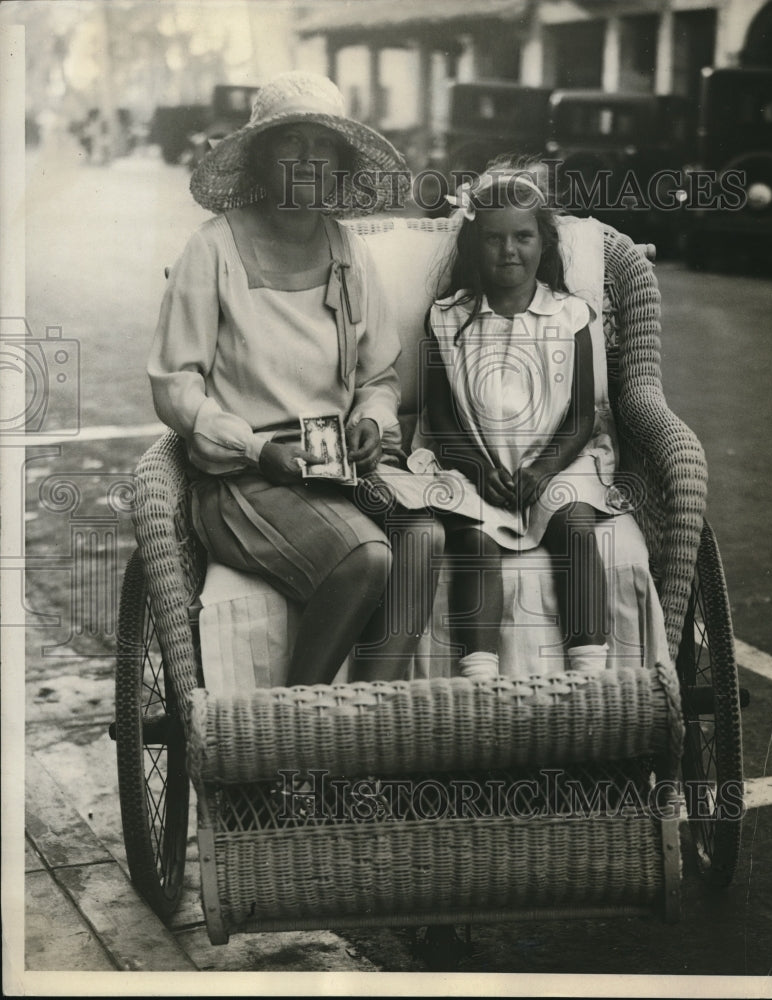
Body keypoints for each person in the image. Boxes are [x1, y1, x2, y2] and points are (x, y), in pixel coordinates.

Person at [147, 71, 443, 686]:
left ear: (339, 164)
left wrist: (370, 419)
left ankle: (365, 732)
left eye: (323, 146)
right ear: (260, 156)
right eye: (290, 143)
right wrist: (259, 450)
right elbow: (177, 384)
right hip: (245, 480)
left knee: (422, 534)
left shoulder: (347, 249)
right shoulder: (213, 249)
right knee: (364, 560)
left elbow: (379, 374)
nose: (307, 160)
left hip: (334, 464)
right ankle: (298, 743)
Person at [422, 156, 627, 680]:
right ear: (473, 246)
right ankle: (481, 679)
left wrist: (542, 471)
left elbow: (582, 414)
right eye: (492, 239)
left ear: (544, 243)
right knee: (474, 537)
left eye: (522, 237)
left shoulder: (569, 316)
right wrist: (474, 466)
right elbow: (441, 417)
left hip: (555, 463)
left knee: (576, 527)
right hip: (478, 466)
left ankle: (590, 675)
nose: (509, 250)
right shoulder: (447, 319)